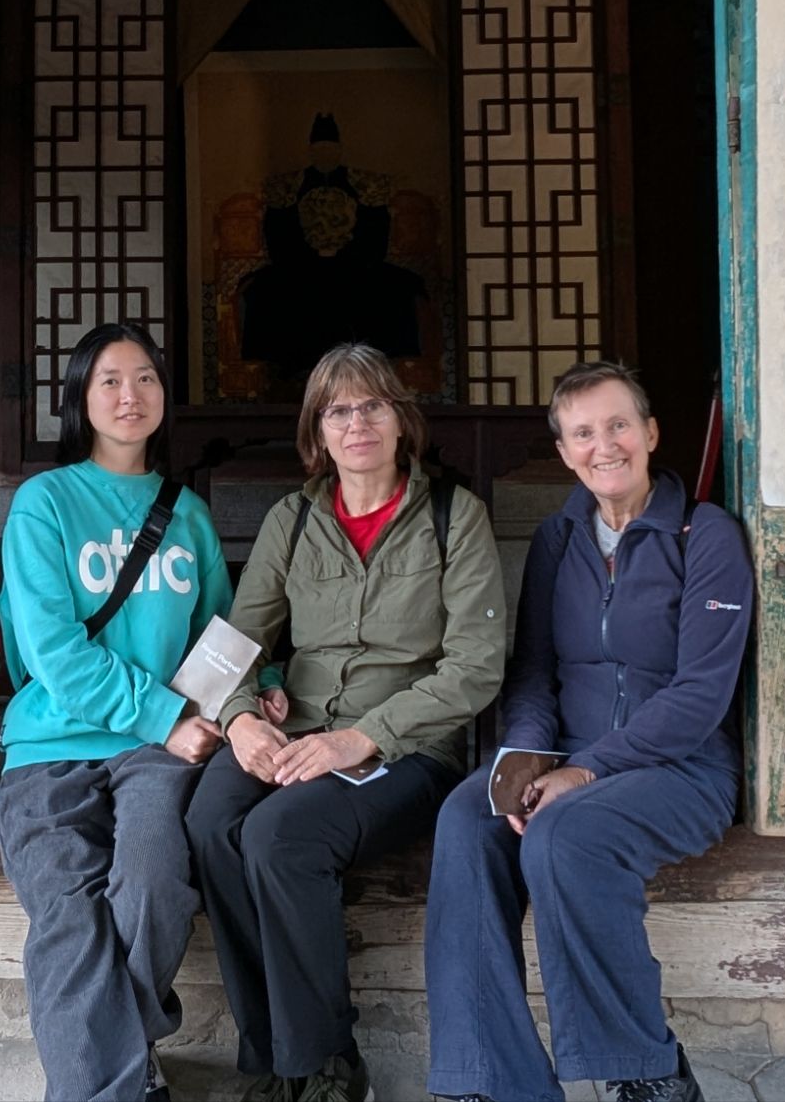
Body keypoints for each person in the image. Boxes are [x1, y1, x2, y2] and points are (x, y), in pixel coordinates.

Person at [423, 361, 754, 1102]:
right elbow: (534, 673)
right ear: (564, 452)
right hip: (567, 760)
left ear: (650, 433)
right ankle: (489, 1078)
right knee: (466, 819)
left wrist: (584, 771)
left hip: (681, 769)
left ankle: (648, 1074)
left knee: (565, 834)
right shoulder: (557, 538)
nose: (604, 446)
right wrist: (525, 762)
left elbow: (700, 695)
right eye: (583, 433)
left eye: (618, 426)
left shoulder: (705, 536)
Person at [186, 342, 508, 1102]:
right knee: (209, 821)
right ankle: (271, 1053)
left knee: (280, 837)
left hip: (406, 750)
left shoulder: (452, 517)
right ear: (317, 432)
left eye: (372, 405)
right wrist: (240, 717)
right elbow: (235, 643)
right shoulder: (293, 520)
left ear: (401, 420)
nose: (356, 423)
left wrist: (361, 738)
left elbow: (475, 666)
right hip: (294, 730)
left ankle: (325, 1060)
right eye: (338, 410)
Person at [0, 323, 234, 1102]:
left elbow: (216, 636)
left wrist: (252, 691)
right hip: (51, 744)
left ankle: (107, 1062)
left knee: (156, 882)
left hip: (155, 749)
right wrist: (164, 716)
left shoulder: (187, 514)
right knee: (67, 908)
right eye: (110, 380)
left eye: (146, 379)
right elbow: (54, 656)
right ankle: (121, 1081)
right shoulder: (45, 504)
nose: (131, 396)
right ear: (80, 398)